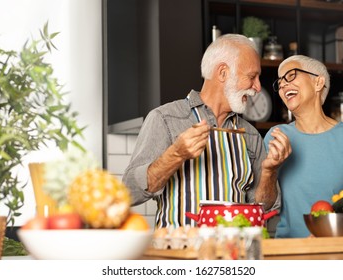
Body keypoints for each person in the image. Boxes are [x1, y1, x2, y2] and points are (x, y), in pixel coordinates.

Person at [123, 34, 291, 228]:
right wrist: (175, 155)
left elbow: (264, 207)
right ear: (222, 73)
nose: (258, 87)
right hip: (181, 254)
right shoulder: (165, 119)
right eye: (252, 77)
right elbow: (128, 192)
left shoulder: (250, 134)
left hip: (234, 254)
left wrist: (270, 171)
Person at [265, 55, 343, 238]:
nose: (282, 85)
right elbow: (262, 203)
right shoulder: (276, 136)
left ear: (318, 83)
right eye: (280, 82)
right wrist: (269, 171)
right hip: (287, 252)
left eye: (290, 76)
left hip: (338, 253)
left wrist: (328, 233)